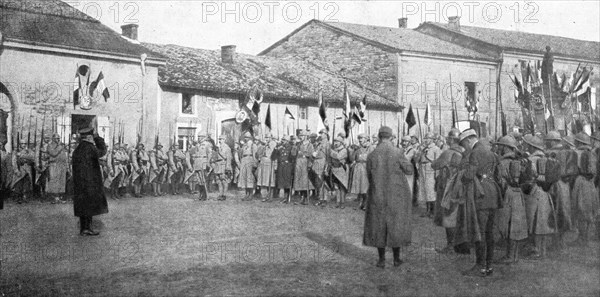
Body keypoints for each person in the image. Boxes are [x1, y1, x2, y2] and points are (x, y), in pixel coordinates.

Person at [453, 129, 501, 277]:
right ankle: (489, 266)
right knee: (489, 232)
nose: (464, 148)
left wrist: (462, 176)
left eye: (463, 144)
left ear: (468, 141)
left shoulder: (475, 152)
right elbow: (499, 174)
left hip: (481, 195)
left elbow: (469, 175)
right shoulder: (490, 152)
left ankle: (480, 266)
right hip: (493, 192)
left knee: (479, 231)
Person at [363, 126, 413, 268]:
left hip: (377, 193)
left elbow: (369, 175)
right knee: (395, 224)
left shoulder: (372, 155)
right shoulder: (398, 152)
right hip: (396, 195)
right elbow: (409, 170)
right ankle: (396, 259)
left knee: (378, 225)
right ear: (391, 137)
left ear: (379, 136)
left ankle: (381, 260)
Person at [494, 135, 528, 264]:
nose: (498, 148)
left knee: (507, 224)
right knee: (517, 224)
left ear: (505, 147)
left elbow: (500, 182)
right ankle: (515, 255)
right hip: (519, 193)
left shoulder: (502, 162)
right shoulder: (521, 160)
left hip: (508, 193)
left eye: (500, 146)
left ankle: (509, 255)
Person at [522, 135, 556, 259]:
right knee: (543, 220)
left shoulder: (531, 159)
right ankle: (543, 250)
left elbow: (529, 177)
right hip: (546, 192)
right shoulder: (547, 158)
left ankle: (536, 250)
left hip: (535, 191)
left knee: (534, 220)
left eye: (526, 144)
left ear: (531, 146)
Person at [431, 128, 464, 254]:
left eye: (448, 138)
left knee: (448, 216)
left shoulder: (448, 153)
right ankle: (457, 244)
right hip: (460, 187)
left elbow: (435, 165)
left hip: (449, 187)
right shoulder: (463, 151)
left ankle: (450, 246)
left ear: (451, 139)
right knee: (458, 217)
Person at [72, 127, 108, 236]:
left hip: (80, 183)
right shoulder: (90, 147)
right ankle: (87, 229)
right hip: (90, 182)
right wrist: (98, 139)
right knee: (89, 206)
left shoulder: (78, 149)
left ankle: (84, 228)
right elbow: (102, 151)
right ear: (89, 136)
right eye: (92, 136)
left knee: (83, 206)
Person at [545, 131, 577, 251]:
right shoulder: (568, 152)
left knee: (555, 211)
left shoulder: (551, 153)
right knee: (564, 211)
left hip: (555, 184)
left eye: (548, 141)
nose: (547, 143)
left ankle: (557, 242)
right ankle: (561, 241)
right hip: (566, 185)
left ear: (552, 141)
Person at [571, 132, 598, 247]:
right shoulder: (592, 154)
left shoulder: (576, 153)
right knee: (589, 208)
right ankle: (585, 237)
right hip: (591, 183)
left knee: (580, 208)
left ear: (579, 142)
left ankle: (582, 237)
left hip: (580, 181)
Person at [417, 132, 442, 217]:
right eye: (425, 138)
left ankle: (433, 211)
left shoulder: (436, 149)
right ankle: (427, 210)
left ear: (432, 140)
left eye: (428, 138)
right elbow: (418, 159)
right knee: (424, 190)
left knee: (431, 191)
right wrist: (420, 151)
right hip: (422, 168)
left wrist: (437, 174)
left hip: (431, 170)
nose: (426, 140)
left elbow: (438, 162)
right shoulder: (423, 148)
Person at [349, 133, 372, 210]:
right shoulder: (358, 149)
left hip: (366, 168)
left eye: (362, 138)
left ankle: (366, 203)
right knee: (359, 186)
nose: (360, 140)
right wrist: (352, 151)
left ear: (366, 139)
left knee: (365, 186)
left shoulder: (370, 148)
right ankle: (361, 202)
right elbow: (353, 159)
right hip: (358, 168)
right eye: (359, 138)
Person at [45, 133, 68, 203]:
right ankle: (54, 197)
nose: (58, 140)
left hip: (61, 165)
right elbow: (53, 153)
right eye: (57, 138)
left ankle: (59, 197)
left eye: (59, 138)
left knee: (61, 181)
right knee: (54, 181)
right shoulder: (50, 146)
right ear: (53, 139)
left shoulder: (60, 146)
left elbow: (64, 155)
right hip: (54, 165)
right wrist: (60, 147)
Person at [293, 130, 314, 205]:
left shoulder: (310, 145)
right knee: (299, 181)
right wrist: (294, 147)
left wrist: (304, 154)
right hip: (298, 164)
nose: (301, 137)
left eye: (302, 136)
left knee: (305, 181)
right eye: (300, 136)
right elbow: (293, 154)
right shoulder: (298, 144)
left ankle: (305, 197)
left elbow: (312, 155)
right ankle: (301, 197)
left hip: (305, 164)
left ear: (306, 136)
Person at [212, 135, 233, 201]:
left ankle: (224, 195)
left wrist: (228, 167)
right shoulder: (218, 148)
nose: (220, 141)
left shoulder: (227, 148)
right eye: (219, 139)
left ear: (224, 140)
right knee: (218, 181)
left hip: (224, 165)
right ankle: (220, 194)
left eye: (221, 139)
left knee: (224, 180)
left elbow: (229, 158)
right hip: (218, 165)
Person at [256, 134, 277, 200]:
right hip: (263, 162)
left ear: (271, 138)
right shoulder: (264, 145)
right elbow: (260, 153)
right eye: (266, 137)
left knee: (269, 180)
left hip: (269, 162)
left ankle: (270, 195)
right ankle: (264, 196)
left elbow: (274, 154)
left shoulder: (273, 143)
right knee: (263, 180)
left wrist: (275, 165)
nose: (266, 138)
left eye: (268, 137)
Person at [312, 130, 330, 206]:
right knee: (318, 182)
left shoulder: (327, 144)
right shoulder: (319, 143)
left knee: (323, 182)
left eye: (322, 133)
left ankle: (324, 199)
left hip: (323, 162)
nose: (321, 135)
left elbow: (328, 156)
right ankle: (319, 198)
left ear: (326, 134)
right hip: (317, 163)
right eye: (320, 133)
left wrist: (326, 167)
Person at [330, 136, 349, 209]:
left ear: (341, 142)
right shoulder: (334, 149)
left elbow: (338, 157)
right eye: (335, 141)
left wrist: (332, 153)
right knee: (336, 187)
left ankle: (342, 202)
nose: (335, 143)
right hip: (334, 169)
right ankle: (337, 202)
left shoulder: (344, 150)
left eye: (337, 141)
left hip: (341, 169)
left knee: (342, 187)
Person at [238, 133, 257, 201]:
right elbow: (241, 154)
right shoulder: (244, 145)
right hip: (244, 160)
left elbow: (255, 154)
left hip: (250, 159)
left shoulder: (252, 145)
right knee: (244, 177)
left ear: (250, 138)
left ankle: (250, 194)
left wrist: (254, 163)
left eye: (248, 137)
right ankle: (246, 194)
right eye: (245, 137)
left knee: (249, 177)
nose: (246, 138)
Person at [276, 136, 295, 203]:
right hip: (281, 165)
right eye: (282, 140)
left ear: (287, 141)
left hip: (287, 166)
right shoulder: (281, 147)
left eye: (284, 140)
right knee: (282, 182)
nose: (282, 141)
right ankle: (284, 197)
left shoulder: (291, 147)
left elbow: (293, 157)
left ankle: (288, 197)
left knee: (287, 182)